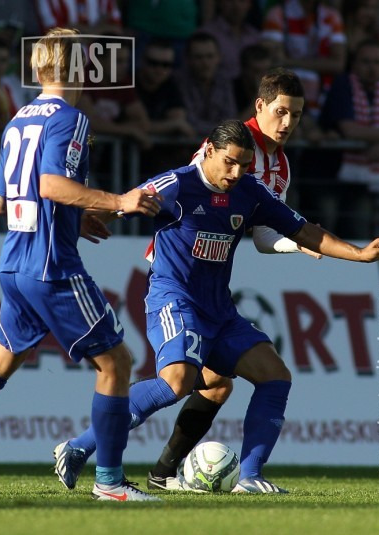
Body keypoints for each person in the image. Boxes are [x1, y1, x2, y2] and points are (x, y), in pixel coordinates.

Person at [54, 118, 379, 494]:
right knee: (177, 382)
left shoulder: (250, 192)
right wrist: (79, 221)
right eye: (230, 162)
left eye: (245, 165)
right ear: (208, 151)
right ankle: (79, 446)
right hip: (174, 299)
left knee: (275, 375)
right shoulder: (177, 184)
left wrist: (361, 253)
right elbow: (124, 203)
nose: (236, 172)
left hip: (219, 311)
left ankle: (250, 477)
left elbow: (303, 231)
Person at [54, 67, 322, 492]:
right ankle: (84, 447)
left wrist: (297, 242)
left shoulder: (280, 166)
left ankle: (165, 473)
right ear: (260, 106)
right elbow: (183, 190)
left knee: (216, 385)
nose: (288, 122)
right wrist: (99, 214)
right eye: (281, 112)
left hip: (211, 288)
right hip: (177, 273)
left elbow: (263, 236)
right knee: (179, 380)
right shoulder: (227, 145)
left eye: (297, 115)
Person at [0, 28, 163, 502]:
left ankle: (108, 479)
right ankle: (110, 482)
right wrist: (119, 201)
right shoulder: (71, 118)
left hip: (13, 263)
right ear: (77, 68)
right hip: (52, 267)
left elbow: (2, 202)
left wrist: (73, 217)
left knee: (0, 362)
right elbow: (51, 185)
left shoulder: (16, 120)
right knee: (116, 363)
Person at [319, 38, 379, 238]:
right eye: (366, 62)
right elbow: (350, 130)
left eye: (377, 62)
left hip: (363, 179)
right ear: (354, 64)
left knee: (360, 231)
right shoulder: (343, 84)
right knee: (326, 228)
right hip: (328, 175)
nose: (372, 68)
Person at [177, 32, 237, 137]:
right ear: (188, 59)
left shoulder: (224, 81)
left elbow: (230, 119)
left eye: (210, 56)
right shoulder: (179, 83)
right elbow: (189, 122)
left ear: (218, 57)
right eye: (198, 57)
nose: (205, 62)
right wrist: (222, 131)